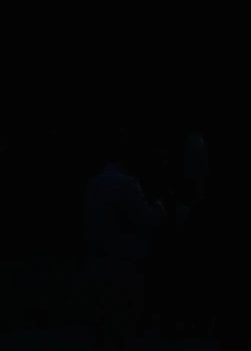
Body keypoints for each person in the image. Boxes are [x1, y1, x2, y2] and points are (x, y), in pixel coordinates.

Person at [86, 146, 163, 351]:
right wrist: (159, 207)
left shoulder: (97, 181)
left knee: (106, 315)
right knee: (125, 316)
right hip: (125, 259)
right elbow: (144, 220)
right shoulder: (127, 184)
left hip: (100, 256)